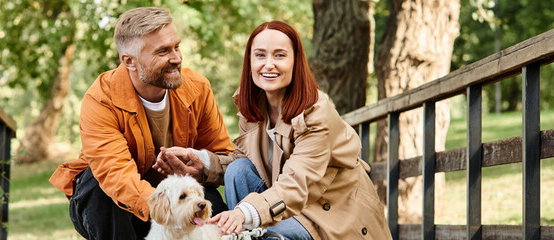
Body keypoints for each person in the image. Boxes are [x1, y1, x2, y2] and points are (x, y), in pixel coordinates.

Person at [155, 20, 392, 240]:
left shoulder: (318, 114)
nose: (269, 64)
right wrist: (203, 162)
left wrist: (242, 214)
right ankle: (252, 234)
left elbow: (296, 184)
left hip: (328, 214)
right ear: (250, 61)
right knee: (237, 170)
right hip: (283, 206)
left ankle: (255, 233)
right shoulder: (254, 107)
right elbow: (249, 162)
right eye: (260, 55)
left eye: (280, 55)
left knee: (266, 234)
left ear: (295, 62)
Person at [49, 7, 234, 240]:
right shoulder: (101, 99)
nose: (177, 58)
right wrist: (164, 209)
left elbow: (223, 155)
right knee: (96, 185)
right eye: (163, 51)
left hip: (178, 199)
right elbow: (116, 176)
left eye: (176, 47)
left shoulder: (198, 87)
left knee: (209, 201)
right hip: (117, 209)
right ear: (129, 61)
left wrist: (201, 167)